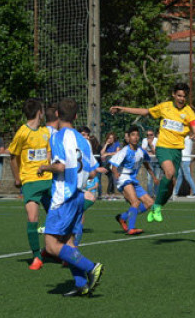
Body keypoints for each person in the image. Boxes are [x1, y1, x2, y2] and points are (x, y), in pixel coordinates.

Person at [36, 98, 104, 297]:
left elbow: (60, 166)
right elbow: (91, 172)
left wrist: (44, 167)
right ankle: (81, 283)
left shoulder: (57, 137)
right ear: (75, 116)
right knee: (68, 242)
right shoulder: (84, 140)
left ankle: (91, 267)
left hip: (63, 197)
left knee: (50, 245)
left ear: (57, 114)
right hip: (78, 196)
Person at [110, 82, 195, 222]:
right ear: (173, 95)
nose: (181, 99)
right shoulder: (164, 107)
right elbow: (146, 111)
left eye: (184, 96)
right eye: (179, 95)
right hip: (163, 147)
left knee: (171, 187)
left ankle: (157, 206)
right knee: (169, 173)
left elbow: (194, 126)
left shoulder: (188, 111)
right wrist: (123, 109)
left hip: (177, 150)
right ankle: (156, 207)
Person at [8, 98, 54, 271]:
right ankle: (36, 256)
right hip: (30, 181)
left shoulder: (45, 131)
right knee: (32, 218)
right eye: (42, 110)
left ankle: (58, 251)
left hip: (48, 180)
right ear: (39, 112)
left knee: (56, 216)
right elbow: (13, 156)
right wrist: (17, 178)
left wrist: (48, 165)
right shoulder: (22, 132)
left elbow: (48, 152)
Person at [111, 126, 159, 235]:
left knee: (150, 203)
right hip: (124, 178)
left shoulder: (141, 151)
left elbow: (146, 163)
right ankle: (131, 228)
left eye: (137, 135)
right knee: (135, 202)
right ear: (128, 137)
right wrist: (116, 175)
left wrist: (154, 177)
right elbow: (113, 165)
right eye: (133, 135)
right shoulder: (125, 151)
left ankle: (123, 217)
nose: (135, 137)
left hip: (133, 180)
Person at [172, 135, 195, 199]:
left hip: (185, 160)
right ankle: (175, 193)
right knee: (180, 177)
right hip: (183, 159)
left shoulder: (185, 139)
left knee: (187, 176)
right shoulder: (187, 138)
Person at [100, 132, 121, 200]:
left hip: (113, 164)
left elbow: (117, 152)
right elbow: (102, 153)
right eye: (109, 138)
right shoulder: (107, 145)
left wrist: (107, 154)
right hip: (107, 164)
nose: (110, 139)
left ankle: (109, 193)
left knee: (112, 178)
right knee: (110, 178)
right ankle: (111, 193)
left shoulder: (117, 143)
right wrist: (106, 144)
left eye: (111, 138)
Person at [141, 129, 160, 197]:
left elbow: (156, 153)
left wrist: (151, 145)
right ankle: (150, 195)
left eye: (151, 135)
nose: (149, 136)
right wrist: (150, 151)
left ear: (153, 135)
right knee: (149, 179)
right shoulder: (144, 140)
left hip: (157, 162)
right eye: (147, 135)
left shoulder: (157, 140)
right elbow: (143, 152)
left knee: (157, 178)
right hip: (149, 162)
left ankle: (156, 194)